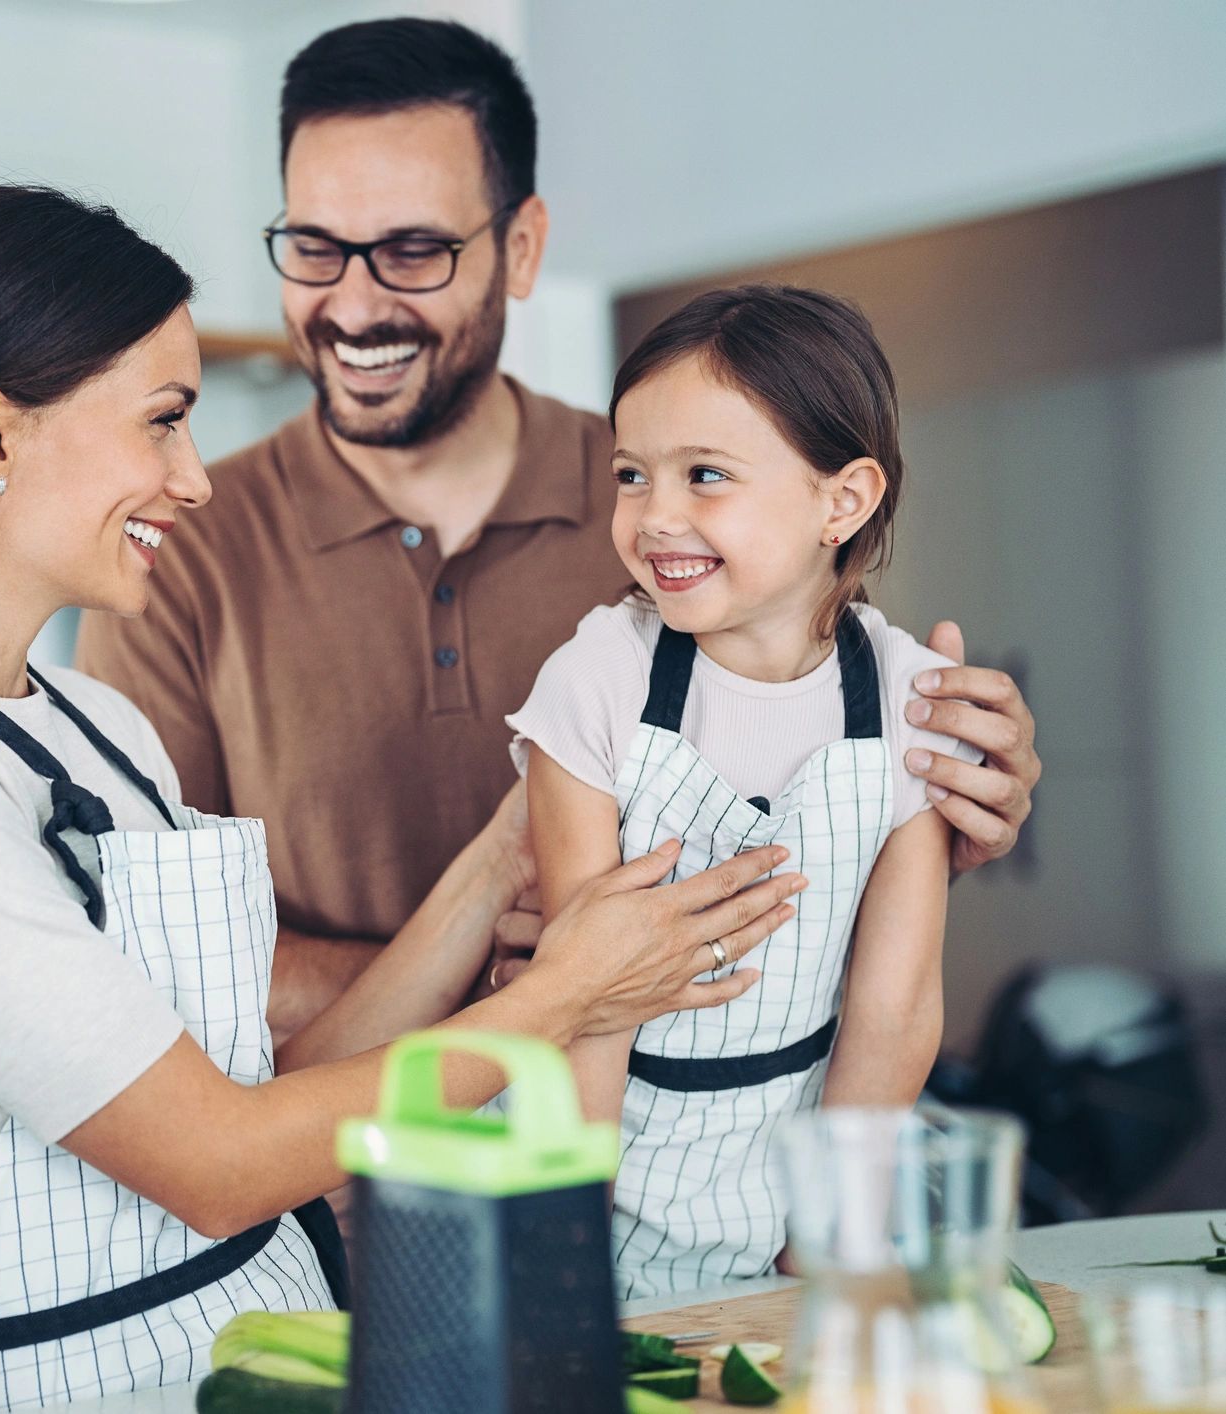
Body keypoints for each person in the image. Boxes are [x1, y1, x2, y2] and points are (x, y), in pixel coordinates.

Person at [0, 183, 808, 1414]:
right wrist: (570, 993)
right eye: (163, 422)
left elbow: (271, 1092)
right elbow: (218, 1161)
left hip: (286, 1348)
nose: (193, 480)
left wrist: (510, 851)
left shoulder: (92, 723)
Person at [75, 17, 1043, 1038]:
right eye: (315, 248)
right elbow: (146, 950)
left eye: (413, 250)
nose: (352, 307)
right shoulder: (176, 546)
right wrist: (525, 984)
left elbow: (815, 864)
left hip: (662, 1150)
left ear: (523, 247)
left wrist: (944, 817)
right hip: (335, 1183)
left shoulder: (686, 519)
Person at [510, 285, 975, 1299]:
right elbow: (583, 1006)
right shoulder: (596, 682)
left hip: (797, 1161)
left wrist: (830, 1229)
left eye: (704, 475)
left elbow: (893, 1008)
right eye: (632, 475)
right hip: (593, 1165)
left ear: (841, 501)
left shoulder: (909, 703)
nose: (654, 515)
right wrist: (569, 1248)